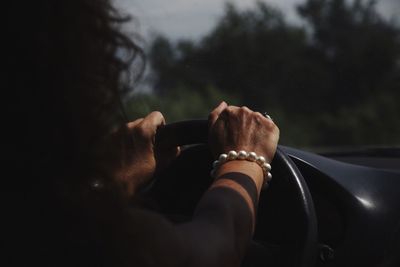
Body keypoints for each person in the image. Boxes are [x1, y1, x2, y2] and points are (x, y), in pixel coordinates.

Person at [4, 0, 279, 266]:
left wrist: (109, 180)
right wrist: (244, 158)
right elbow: (220, 246)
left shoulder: (23, 216)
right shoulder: (99, 236)